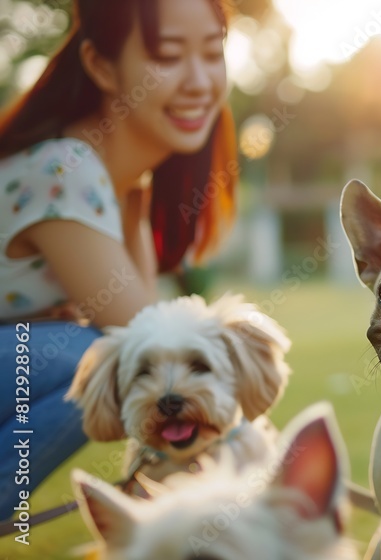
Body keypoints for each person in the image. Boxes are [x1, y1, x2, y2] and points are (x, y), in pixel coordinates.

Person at [0, 0, 236, 517]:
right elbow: (143, 335)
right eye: (169, 55)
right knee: (87, 359)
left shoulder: (128, 187)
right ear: (102, 66)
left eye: (212, 51)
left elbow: (144, 321)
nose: (199, 80)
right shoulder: (64, 170)